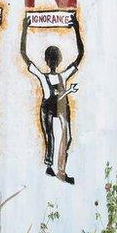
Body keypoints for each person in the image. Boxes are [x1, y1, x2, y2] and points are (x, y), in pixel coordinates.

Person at [20, 15, 83, 185]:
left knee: (64, 136)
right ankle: (52, 166)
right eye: (53, 59)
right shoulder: (46, 75)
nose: (54, 61)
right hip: (50, 107)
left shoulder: (59, 75)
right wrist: (76, 29)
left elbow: (24, 54)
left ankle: (59, 169)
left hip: (58, 106)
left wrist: (25, 29)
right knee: (51, 136)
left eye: (55, 58)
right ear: (50, 61)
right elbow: (80, 55)